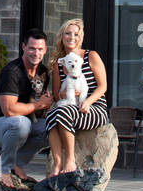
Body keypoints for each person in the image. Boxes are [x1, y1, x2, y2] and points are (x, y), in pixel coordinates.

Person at [0, 29, 54, 190]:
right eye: (32, 48)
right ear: (23, 47)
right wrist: (39, 105)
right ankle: (5, 168)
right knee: (21, 124)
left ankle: (17, 163)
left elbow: (41, 100)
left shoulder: (43, 72)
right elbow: (9, 110)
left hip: (24, 122)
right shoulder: (12, 72)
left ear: (45, 50)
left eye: (40, 49)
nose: (36, 53)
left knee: (52, 127)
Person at [44, 18, 109, 174]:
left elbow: (103, 86)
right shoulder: (58, 63)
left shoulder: (90, 56)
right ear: (62, 36)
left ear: (80, 37)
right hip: (69, 106)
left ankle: (70, 160)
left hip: (93, 108)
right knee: (51, 115)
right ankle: (57, 163)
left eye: (76, 34)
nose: (72, 37)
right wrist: (63, 93)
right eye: (68, 33)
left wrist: (87, 102)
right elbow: (57, 96)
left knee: (62, 113)